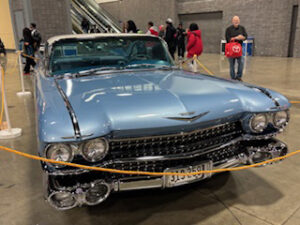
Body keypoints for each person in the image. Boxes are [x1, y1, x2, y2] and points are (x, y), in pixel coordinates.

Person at [225, 16, 248, 81]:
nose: (236, 21)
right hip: (231, 49)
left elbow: (246, 36)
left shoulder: (242, 28)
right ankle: (232, 78)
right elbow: (227, 39)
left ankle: (239, 77)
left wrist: (242, 38)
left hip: (239, 49)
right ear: (232, 21)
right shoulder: (228, 29)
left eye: (237, 20)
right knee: (231, 64)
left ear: (239, 21)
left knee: (241, 63)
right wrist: (236, 38)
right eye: (235, 20)